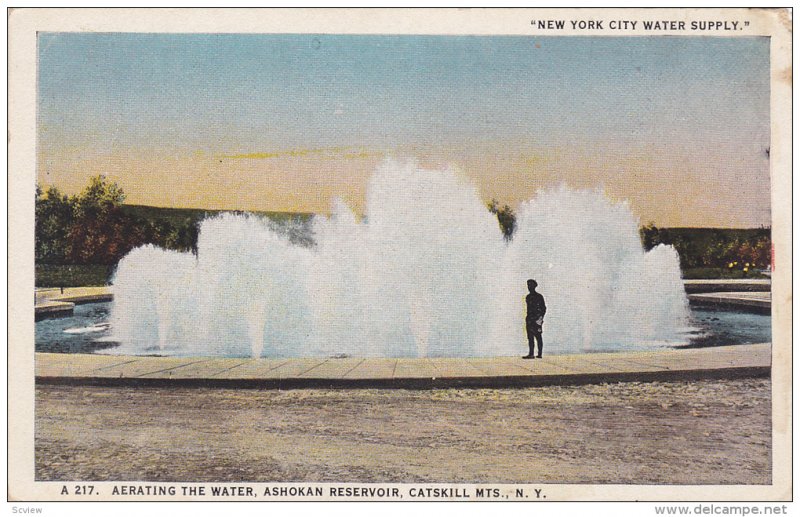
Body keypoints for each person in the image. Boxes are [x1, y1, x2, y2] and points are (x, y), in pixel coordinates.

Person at [523, 279, 546, 359]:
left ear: (534, 286)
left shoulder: (539, 296)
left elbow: (543, 308)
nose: (529, 287)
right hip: (529, 319)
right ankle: (531, 353)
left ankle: (539, 354)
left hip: (536, 319)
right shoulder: (528, 297)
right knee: (530, 337)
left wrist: (540, 318)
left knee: (538, 336)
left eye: (530, 285)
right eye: (528, 285)